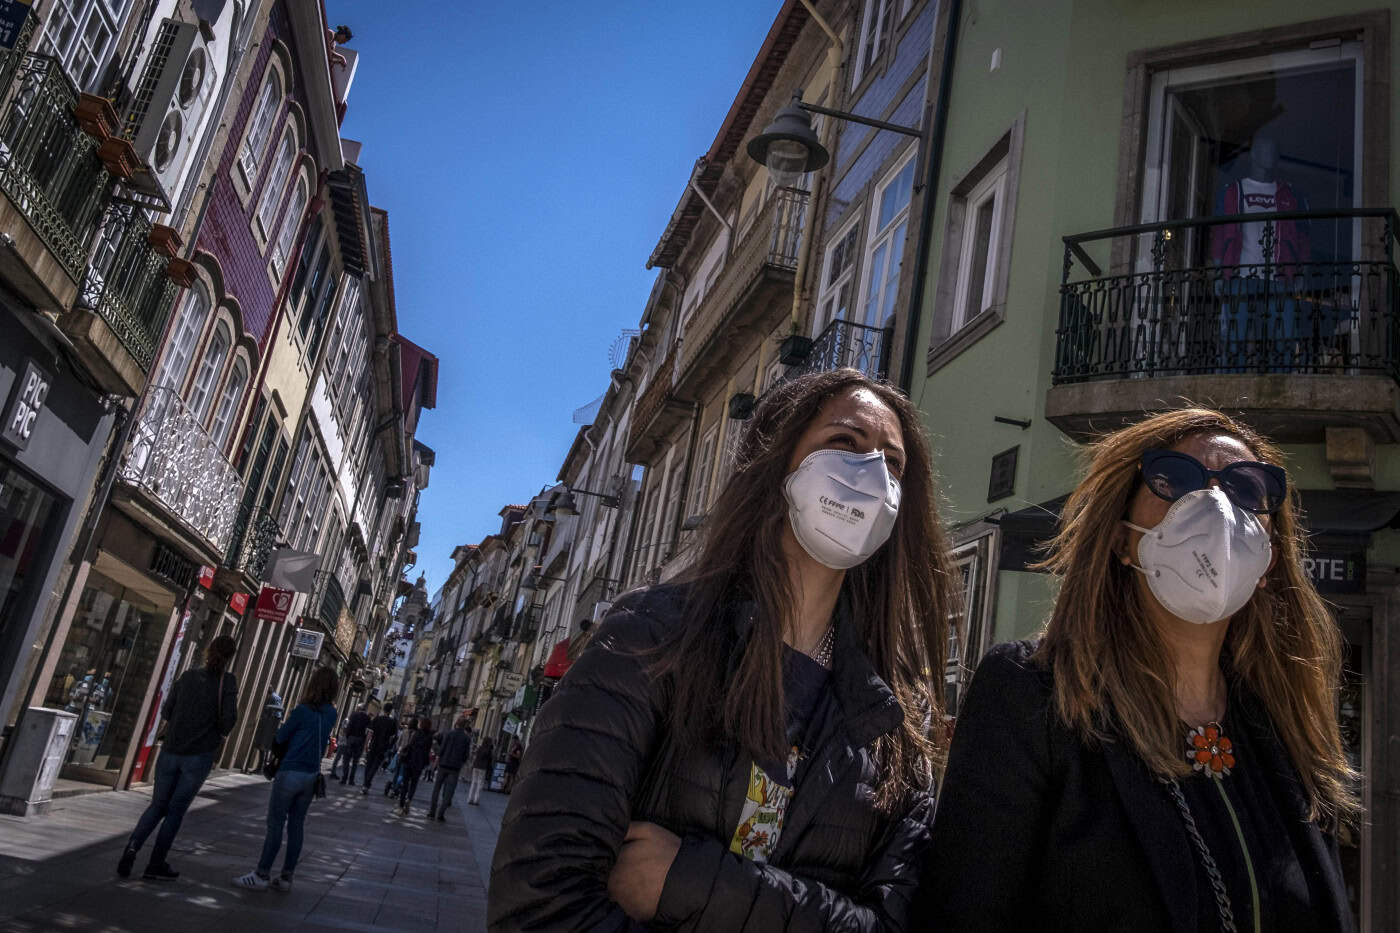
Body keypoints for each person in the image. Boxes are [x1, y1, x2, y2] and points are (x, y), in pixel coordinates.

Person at [488, 369, 960, 930]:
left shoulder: (900, 724)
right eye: (844, 442)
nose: (871, 475)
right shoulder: (650, 639)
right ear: (777, 463)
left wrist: (692, 881)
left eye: (893, 463)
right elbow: (539, 899)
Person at [920, 408, 1356, 931]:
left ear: (1268, 559)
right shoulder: (1031, 697)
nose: (1215, 505)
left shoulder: (1288, 728)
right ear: (1121, 538)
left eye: (1248, 487)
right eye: (1175, 480)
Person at [118, 636, 239, 880]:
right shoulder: (227, 682)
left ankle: (131, 849)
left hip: (170, 751)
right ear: (230, 656)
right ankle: (155, 864)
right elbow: (229, 720)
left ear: (209, 650)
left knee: (157, 806)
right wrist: (214, 730)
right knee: (175, 812)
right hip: (198, 755)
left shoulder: (187, 676)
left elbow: (167, 710)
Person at [232, 667, 339, 893]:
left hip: (290, 771)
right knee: (297, 826)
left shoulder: (301, 711)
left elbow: (281, 737)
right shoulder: (331, 714)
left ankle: (261, 874)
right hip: (311, 775)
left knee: (276, 824)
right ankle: (286, 877)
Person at [428, 714, 472, 821]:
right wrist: (461, 762)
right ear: (464, 725)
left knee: (436, 789)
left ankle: (432, 812)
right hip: (455, 768)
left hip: (443, 765)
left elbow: (442, 749)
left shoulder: (448, 734)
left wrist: (438, 759)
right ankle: (441, 813)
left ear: (456, 723)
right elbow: (466, 755)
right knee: (449, 792)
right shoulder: (467, 738)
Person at [395, 717, 434, 816]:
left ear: (421, 724)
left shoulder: (417, 733)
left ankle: (401, 806)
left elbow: (410, 745)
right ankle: (409, 799)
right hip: (419, 764)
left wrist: (403, 751)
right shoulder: (430, 737)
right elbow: (427, 751)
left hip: (410, 761)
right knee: (414, 783)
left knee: (405, 783)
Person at [361, 702, 398, 796]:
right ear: (390, 711)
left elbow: (370, 733)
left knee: (368, 765)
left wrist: (366, 744)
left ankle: (365, 785)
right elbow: (394, 737)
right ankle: (366, 785)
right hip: (383, 747)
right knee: (375, 767)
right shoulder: (392, 722)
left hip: (373, 745)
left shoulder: (377, 719)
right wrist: (389, 746)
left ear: (383, 709)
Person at [249, 690, 283, 774]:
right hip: (270, 727)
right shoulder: (277, 698)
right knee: (264, 748)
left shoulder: (272, 698)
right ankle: (261, 768)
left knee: (263, 747)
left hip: (268, 727)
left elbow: (272, 713)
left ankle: (260, 768)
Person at [337, 704, 370, 785]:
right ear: (365, 710)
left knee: (346, 759)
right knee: (355, 762)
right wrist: (365, 742)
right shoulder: (368, 718)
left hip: (351, 738)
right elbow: (367, 731)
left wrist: (348, 737)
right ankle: (351, 780)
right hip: (360, 740)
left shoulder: (353, 715)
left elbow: (349, 727)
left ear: (359, 709)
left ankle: (344, 778)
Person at [385, 715, 417, 797]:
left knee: (397, 773)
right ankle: (396, 788)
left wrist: (399, 749)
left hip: (401, 754)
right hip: (408, 757)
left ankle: (393, 789)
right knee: (402, 774)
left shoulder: (404, 732)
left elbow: (398, 743)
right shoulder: (416, 734)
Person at [467, 737, 493, 806]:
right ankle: (476, 800)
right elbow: (490, 760)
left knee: (473, 782)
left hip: (476, 766)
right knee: (480, 784)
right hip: (482, 768)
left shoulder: (480, 748)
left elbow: (476, 755)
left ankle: (470, 799)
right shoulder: (489, 750)